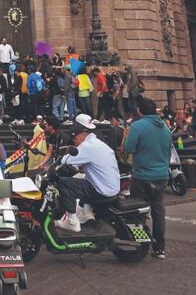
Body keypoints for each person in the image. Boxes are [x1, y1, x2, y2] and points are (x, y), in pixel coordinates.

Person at [123, 97, 172, 259]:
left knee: (136, 211)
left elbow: (128, 148)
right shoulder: (165, 127)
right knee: (158, 212)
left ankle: (140, 244)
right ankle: (160, 248)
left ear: (139, 111)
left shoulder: (137, 126)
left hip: (143, 176)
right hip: (162, 176)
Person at [56, 113, 120, 232]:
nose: (75, 144)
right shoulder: (98, 143)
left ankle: (72, 222)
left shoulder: (87, 146)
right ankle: (87, 213)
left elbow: (65, 160)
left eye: (74, 140)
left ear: (79, 137)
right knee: (83, 181)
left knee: (65, 183)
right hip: (112, 187)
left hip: (102, 189)